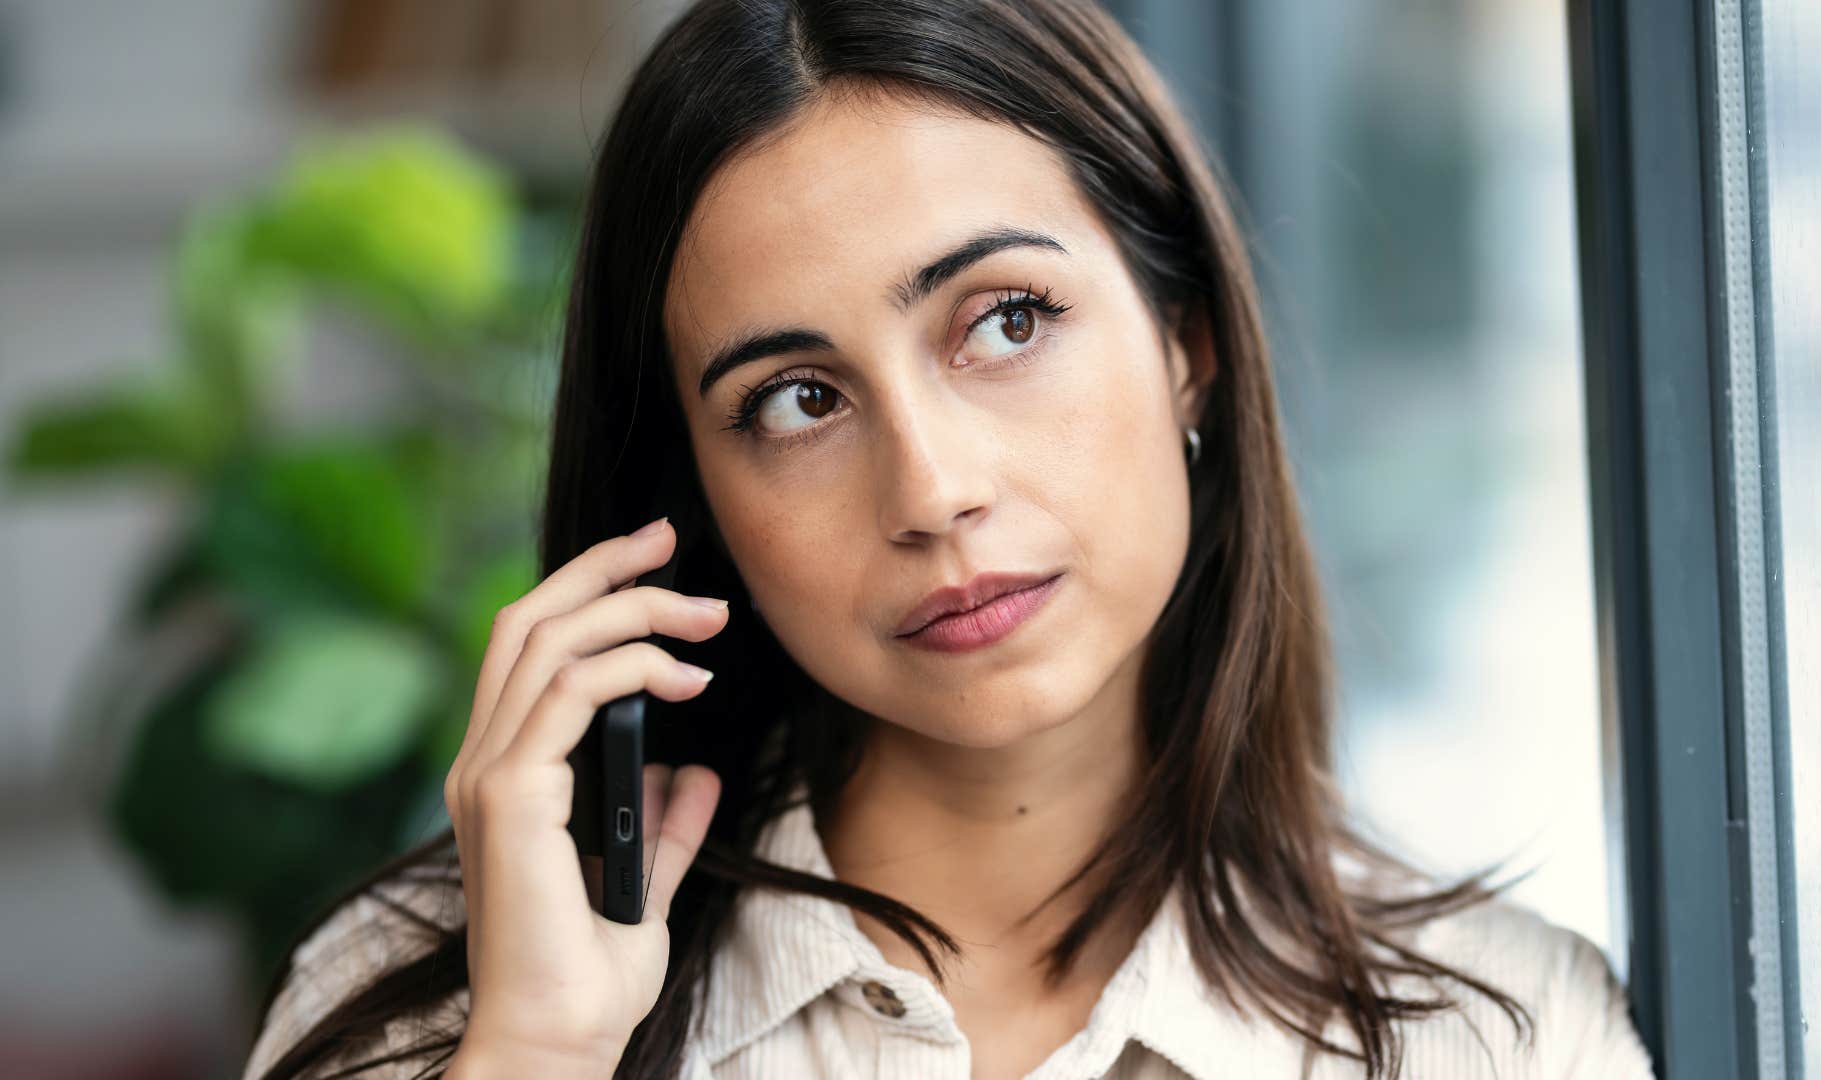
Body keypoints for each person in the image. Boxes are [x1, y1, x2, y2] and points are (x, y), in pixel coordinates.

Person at [240, 1, 1654, 1077]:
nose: (930, 490)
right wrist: (538, 1057)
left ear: (1187, 339)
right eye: (796, 401)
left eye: (1006, 320)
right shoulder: (431, 1010)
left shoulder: (1501, 1032)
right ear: (696, 496)